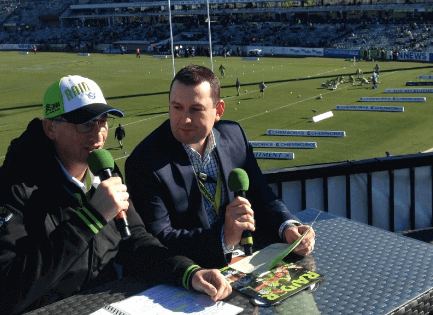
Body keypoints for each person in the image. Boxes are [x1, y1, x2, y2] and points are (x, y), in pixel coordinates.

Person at [0, 75, 232, 315]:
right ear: (50, 127)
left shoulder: (104, 173)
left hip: (103, 305)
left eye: (102, 122)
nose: (98, 134)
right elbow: (1, 294)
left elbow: (136, 241)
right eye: (85, 123)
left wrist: (187, 272)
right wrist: (91, 218)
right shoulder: (8, 189)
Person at [125, 65, 315, 269]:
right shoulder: (144, 161)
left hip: (248, 261)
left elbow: (262, 196)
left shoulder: (235, 135)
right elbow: (159, 239)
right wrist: (224, 238)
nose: (184, 119)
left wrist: (287, 226)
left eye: (196, 109)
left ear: (219, 110)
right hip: (192, 275)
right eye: (177, 107)